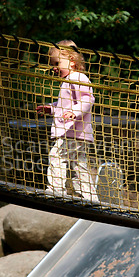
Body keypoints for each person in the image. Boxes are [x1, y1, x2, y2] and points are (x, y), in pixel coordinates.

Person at [36, 40, 98, 202]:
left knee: (56, 156)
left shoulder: (77, 77)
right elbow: (65, 105)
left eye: (57, 63)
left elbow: (87, 99)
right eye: (52, 64)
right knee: (80, 163)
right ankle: (89, 196)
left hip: (72, 132)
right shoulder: (69, 79)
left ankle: (56, 189)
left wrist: (75, 112)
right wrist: (51, 108)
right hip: (75, 132)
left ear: (72, 60)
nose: (54, 68)